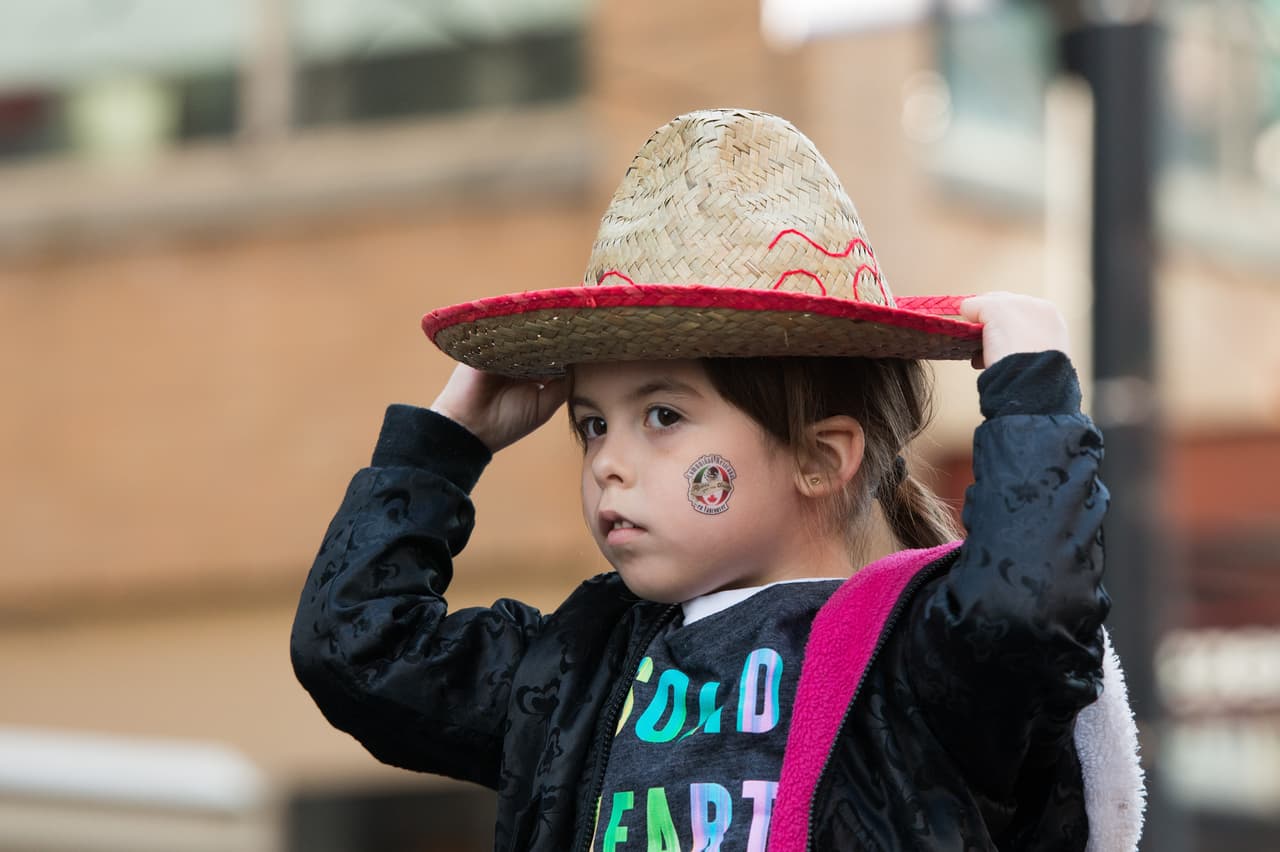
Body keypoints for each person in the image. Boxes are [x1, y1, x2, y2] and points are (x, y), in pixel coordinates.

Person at [291, 109, 1144, 851]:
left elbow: (1029, 608)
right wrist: (446, 443)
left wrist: (1031, 397)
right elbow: (362, 649)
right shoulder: (582, 669)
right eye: (592, 423)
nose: (607, 462)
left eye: (663, 416)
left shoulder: (920, 657)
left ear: (821, 455)